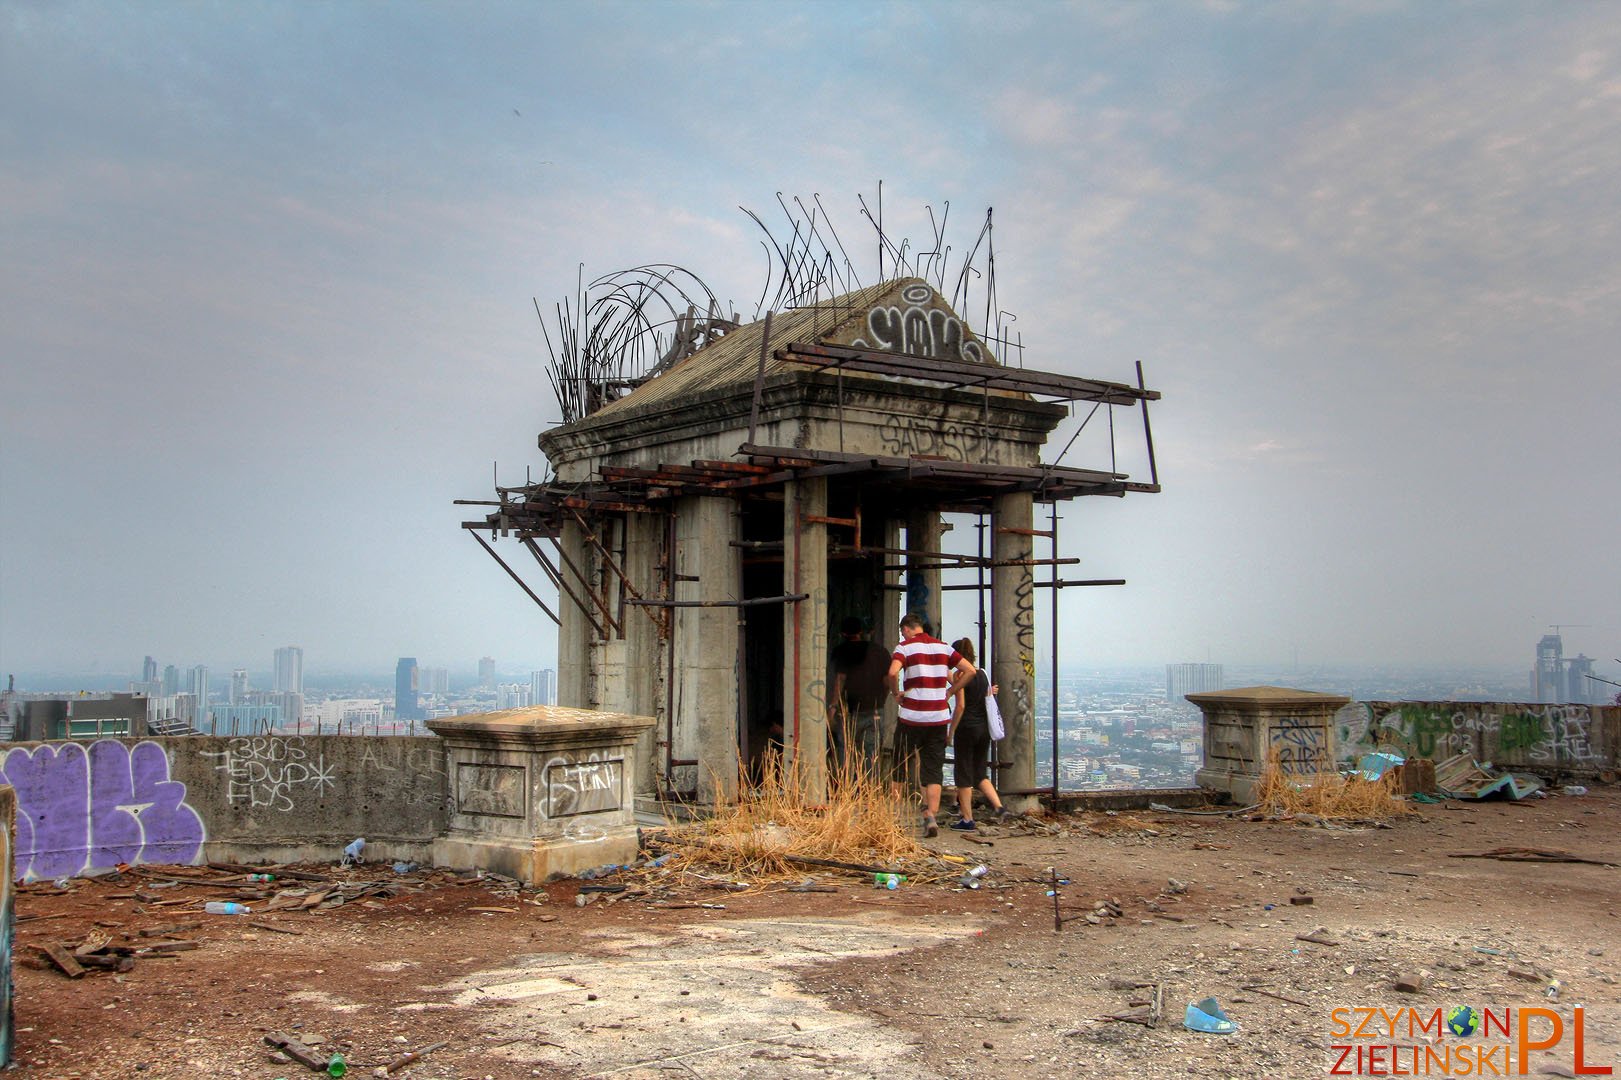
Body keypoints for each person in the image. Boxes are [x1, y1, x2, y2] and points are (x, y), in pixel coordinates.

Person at [887, 613, 975, 837]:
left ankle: (892, 816)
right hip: (937, 718)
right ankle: (931, 815)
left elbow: (892, 672)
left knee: (899, 763)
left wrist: (895, 692)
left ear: (906, 628)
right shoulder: (943, 648)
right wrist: (950, 692)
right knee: (933, 769)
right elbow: (970, 671)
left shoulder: (905, 647)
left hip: (911, 717)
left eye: (902, 631)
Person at [947, 637, 1010, 830]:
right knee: (979, 772)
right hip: (984, 729)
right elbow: (984, 697)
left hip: (966, 728)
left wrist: (951, 732)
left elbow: (960, 706)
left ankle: (967, 819)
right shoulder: (982, 674)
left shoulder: (960, 677)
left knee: (963, 774)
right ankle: (999, 807)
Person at [830, 616, 889, 780]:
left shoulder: (841, 652)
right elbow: (887, 681)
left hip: (850, 711)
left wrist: (833, 706)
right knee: (871, 752)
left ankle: (846, 788)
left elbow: (840, 679)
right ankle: (868, 791)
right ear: (861, 632)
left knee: (846, 749)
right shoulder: (880, 651)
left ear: (842, 633)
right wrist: (881, 700)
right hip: (875, 710)